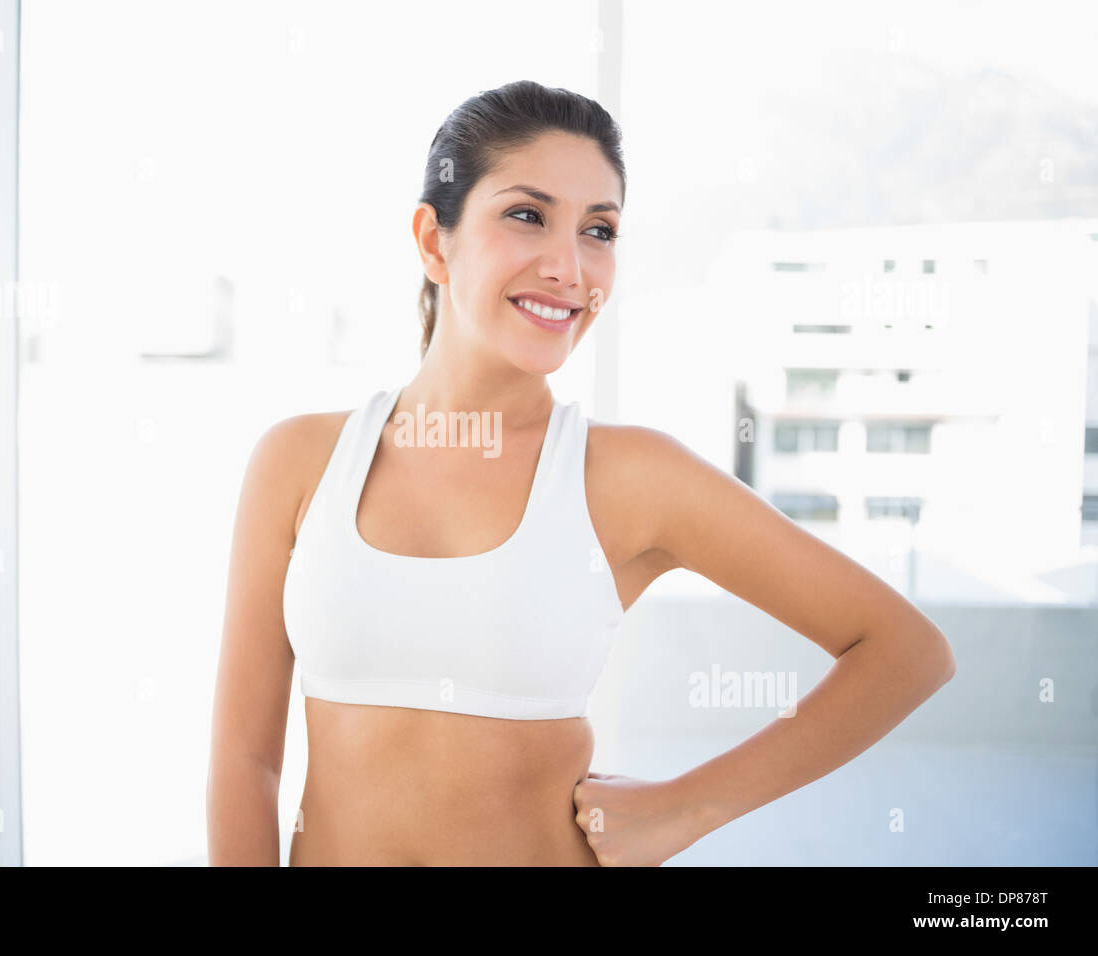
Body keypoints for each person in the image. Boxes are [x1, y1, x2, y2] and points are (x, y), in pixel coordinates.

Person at [206, 79, 956, 867]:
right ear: (434, 240)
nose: (570, 267)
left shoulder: (628, 476)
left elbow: (905, 650)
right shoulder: (299, 462)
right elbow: (245, 763)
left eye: (599, 231)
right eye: (528, 215)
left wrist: (688, 806)